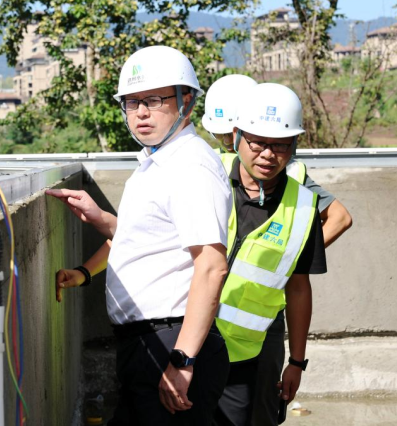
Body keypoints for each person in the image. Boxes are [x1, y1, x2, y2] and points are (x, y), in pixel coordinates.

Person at [48, 45, 232, 425]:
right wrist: (99, 227)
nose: (141, 112)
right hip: (146, 343)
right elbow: (151, 242)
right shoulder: (156, 162)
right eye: (132, 102)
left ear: (187, 101)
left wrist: (182, 360)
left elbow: (212, 266)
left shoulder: (190, 166)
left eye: (154, 100)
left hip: (172, 342)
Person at [204, 76, 353, 425]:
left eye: (281, 145)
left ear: (295, 144)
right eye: (257, 142)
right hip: (188, 333)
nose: (268, 154)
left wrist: (297, 361)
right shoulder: (208, 175)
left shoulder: (302, 206)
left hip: (255, 344)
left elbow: (299, 288)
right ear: (237, 136)